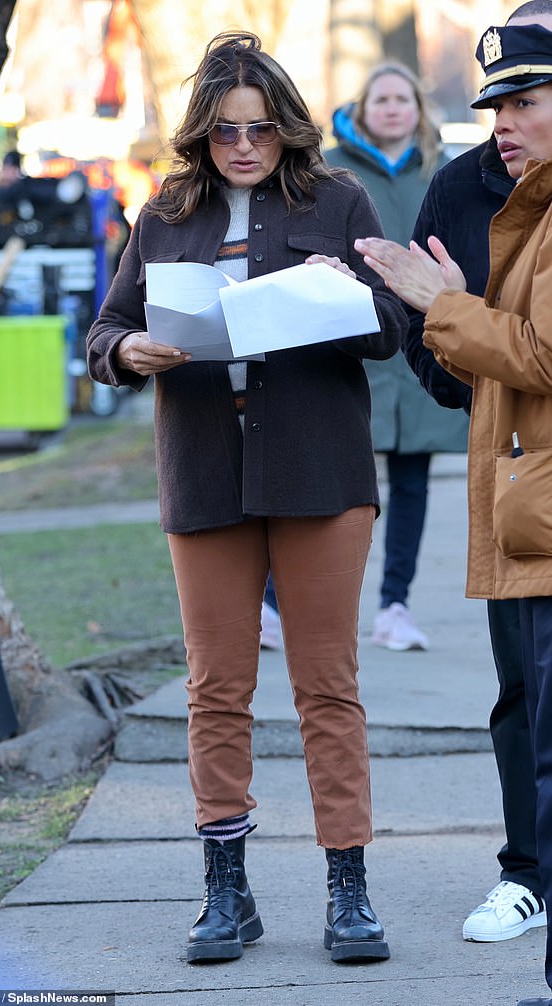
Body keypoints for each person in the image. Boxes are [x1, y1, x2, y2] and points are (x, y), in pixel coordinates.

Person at [87, 31, 407, 966]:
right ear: (200, 133)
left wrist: (342, 296)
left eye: (261, 128)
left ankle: (348, 893)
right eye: (226, 130)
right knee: (216, 690)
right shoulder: (164, 215)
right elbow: (109, 325)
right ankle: (225, 894)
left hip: (318, 474)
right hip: (205, 471)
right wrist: (125, 352)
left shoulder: (338, 199)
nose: (243, 146)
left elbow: (392, 329)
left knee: (327, 687)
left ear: (287, 128)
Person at [355, 21, 552, 1005]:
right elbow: (440, 342)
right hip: (510, 487)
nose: (505, 116)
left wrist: (450, 306)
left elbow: (537, 349)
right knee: (522, 702)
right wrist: (447, 325)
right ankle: (528, 872)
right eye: (497, 99)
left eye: (529, 95)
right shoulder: (468, 185)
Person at [324, 62, 469, 653]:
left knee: (411, 481)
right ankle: (285, 606)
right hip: (352, 340)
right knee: (332, 485)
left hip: (420, 343)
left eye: (401, 99)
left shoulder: (442, 169)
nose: (391, 109)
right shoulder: (329, 169)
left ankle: (395, 606)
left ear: (418, 108)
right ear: (361, 108)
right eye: (379, 98)